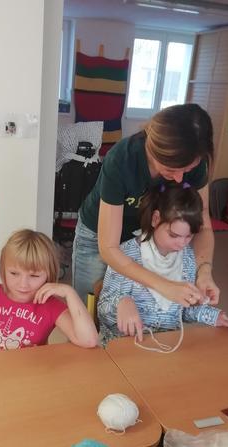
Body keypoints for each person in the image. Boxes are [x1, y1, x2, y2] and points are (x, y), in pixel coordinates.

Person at [72, 103, 218, 308]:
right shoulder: (122, 159)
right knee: (89, 307)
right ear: (153, 148)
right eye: (171, 169)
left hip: (145, 238)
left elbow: (203, 224)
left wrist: (204, 271)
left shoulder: (194, 162)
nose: (179, 179)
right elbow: (109, 248)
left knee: (136, 309)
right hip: (97, 236)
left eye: (187, 170)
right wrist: (164, 285)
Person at [97, 183, 228, 344]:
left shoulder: (187, 258)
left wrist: (212, 316)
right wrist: (122, 302)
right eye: (173, 235)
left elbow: (183, 311)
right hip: (124, 346)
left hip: (166, 345)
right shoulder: (125, 255)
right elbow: (103, 310)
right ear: (155, 219)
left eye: (189, 236)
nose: (182, 244)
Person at [0, 229, 99, 353]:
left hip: (23, 377)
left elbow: (89, 340)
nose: (23, 284)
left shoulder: (50, 305)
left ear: (49, 274)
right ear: (3, 269)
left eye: (34, 276)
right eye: (14, 273)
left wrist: (70, 293)